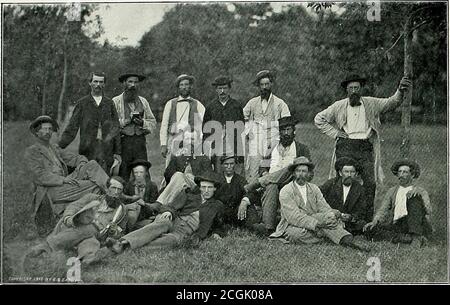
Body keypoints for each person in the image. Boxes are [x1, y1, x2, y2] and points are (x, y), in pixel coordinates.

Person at [314, 74, 412, 221]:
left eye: (357, 88)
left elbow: (392, 102)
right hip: (345, 146)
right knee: (341, 182)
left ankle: (365, 221)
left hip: (365, 147)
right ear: (346, 90)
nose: (354, 91)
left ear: (361, 89)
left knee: (370, 183)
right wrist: (335, 133)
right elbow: (319, 119)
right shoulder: (339, 105)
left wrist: (400, 90)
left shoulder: (371, 103)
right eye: (351, 88)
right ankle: (339, 218)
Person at [25, 115, 110, 236]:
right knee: (95, 186)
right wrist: (63, 180)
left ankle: (110, 195)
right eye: (44, 129)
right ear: (37, 132)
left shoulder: (54, 148)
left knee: (91, 164)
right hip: (50, 190)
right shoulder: (32, 151)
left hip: (65, 183)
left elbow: (76, 158)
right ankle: (109, 206)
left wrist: (81, 163)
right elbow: (39, 176)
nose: (48, 132)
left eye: (50, 129)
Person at [28, 176, 140, 265]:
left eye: (119, 190)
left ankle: (48, 247)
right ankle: (87, 256)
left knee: (92, 236)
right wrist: (68, 217)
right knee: (89, 238)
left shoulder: (121, 210)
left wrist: (114, 232)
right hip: (76, 226)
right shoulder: (92, 198)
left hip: (98, 235)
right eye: (113, 188)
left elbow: (121, 232)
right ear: (107, 189)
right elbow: (74, 206)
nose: (116, 192)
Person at [270, 157, 371, 252]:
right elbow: (294, 217)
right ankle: (330, 236)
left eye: (304, 171)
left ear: (309, 173)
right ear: (293, 173)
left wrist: (331, 216)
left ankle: (338, 236)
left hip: (318, 221)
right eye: (298, 171)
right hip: (294, 225)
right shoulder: (286, 190)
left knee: (331, 217)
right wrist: (316, 224)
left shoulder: (314, 188)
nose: (301, 174)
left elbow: (324, 207)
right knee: (295, 235)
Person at [245, 116, 311, 236]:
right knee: (271, 186)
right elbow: (263, 166)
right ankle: (268, 227)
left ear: (294, 131)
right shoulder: (272, 148)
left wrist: (296, 174)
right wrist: (265, 173)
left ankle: (258, 182)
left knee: (291, 167)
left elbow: (309, 172)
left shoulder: (302, 149)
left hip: (292, 183)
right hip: (273, 183)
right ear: (279, 132)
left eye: (289, 130)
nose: (286, 133)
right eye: (283, 130)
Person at [59, 72, 121, 173]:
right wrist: (60, 145)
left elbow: (116, 128)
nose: (98, 85)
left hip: (106, 150)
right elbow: (72, 127)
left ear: (104, 84)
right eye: (95, 81)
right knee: (88, 176)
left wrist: (118, 152)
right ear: (90, 83)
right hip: (87, 149)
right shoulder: (82, 103)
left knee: (105, 178)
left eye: (101, 82)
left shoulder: (109, 103)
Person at [363, 160, 432, 247]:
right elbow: (383, 209)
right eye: (400, 172)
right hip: (398, 225)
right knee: (370, 230)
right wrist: (374, 221)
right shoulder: (392, 191)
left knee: (414, 198)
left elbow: (428, 210)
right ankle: (406, 238)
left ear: (412, 175)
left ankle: (416, 237)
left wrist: (419, 195)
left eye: (405, 172)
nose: (401, 175)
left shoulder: (420, 191)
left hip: (414, 224)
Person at [243, 70, 291, 183]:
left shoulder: (280, 103)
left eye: (267, 84)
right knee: (253, 168)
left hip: (274, 140)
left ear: (271, 84)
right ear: (258, 86)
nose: (264, 87)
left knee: (272, 168)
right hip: (256, 139)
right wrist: (248, 129)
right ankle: (253, 195)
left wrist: (280, 137)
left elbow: (287, 122)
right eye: (262, 85)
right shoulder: (252, 103)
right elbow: (242, 116)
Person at [112, 73, 157, 180]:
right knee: (123, 172)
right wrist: (127, 121)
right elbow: (111, 124)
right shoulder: (116, 101)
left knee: (142, 170)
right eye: (130, 82)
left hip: (139, 142)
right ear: (124, 83)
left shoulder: (143, 101)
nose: (133, 85)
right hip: (123, 142)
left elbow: (153, 122)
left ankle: (144, 195)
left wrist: (142, 123)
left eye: (136, 82)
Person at [202, 76, 245, 175]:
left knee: (235, 173)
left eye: (225, 88)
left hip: (233, 146)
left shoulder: (236, 106)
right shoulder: (211, 107)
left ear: (229, 89)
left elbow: (241, 125)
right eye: (219, 88)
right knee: (219, 174)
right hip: (217, 147)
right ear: (216, 90)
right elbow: (205, 130)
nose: (222, 91)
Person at [160, 74, 205, 167]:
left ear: (190, 86)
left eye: (186, 84)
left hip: (190, 140)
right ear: (178, 87)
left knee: (189, 167)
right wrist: (163, 144)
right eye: (181, 85)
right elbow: (164, 125)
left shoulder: (197, 104)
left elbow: (204, 123)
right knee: (171, 167)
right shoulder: (170, 104)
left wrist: (201, 140)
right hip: (173, 139)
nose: (184, 87)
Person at [319, 157, 367, 235]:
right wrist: (331, 211)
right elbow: (317, 197)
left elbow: (361, 210)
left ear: (356, 174)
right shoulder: (330, 184)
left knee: (362, 224)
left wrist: (351, 217)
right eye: (346, 172)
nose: (349, 175)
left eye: (352, 172)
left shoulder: (360, 189)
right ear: (340, 173)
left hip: (349, 222)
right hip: (331, 217)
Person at [214, 155, 260, 230]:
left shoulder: (240, 179)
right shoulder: (216, 179)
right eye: (226, 164)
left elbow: (251, 192)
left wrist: (244, 202)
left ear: (235, 165)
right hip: (222, 212)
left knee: (249, 206)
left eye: (231, 164)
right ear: (222, 165)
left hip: (237, 212)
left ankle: (254, 226)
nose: (229, 166)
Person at [123, 159, 159, 229]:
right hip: (132, 214)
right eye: (136, 172)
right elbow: (125, 201)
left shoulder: (152, 186)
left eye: (141, 172)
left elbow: (155, 205)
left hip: (147, 215)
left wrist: (144, 204)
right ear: (133, 173)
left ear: (146, 173)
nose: (138, 175)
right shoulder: (129, 185)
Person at [192, 172, 227, 240]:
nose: (206, 191)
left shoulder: (216, 205)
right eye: (203, 187)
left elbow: (219, 224)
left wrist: (216, 233)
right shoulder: (192, 198)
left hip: (195, 233)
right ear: (199, 188)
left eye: (210, 187)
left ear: (215, 188)